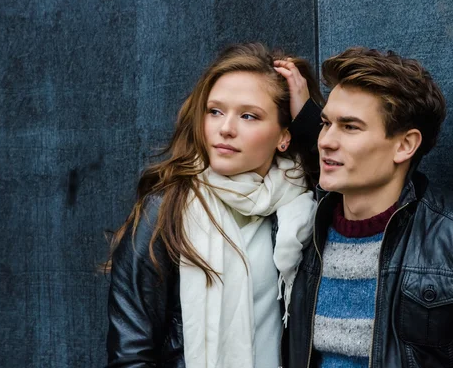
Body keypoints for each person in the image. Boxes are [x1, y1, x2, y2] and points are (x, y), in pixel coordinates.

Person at [284, 47, 453, 367]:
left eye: (350, 127)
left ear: (405, 145)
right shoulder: (304, 230)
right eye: (326, 123)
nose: (325, 140)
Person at [105, 42, 324, 368]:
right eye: (215, 111)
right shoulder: (163, 213)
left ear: (283, 136)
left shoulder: (304, 210)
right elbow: (131, 354)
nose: (225, 128)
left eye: (249, 116)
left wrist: (309, 121)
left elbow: (367, 177)